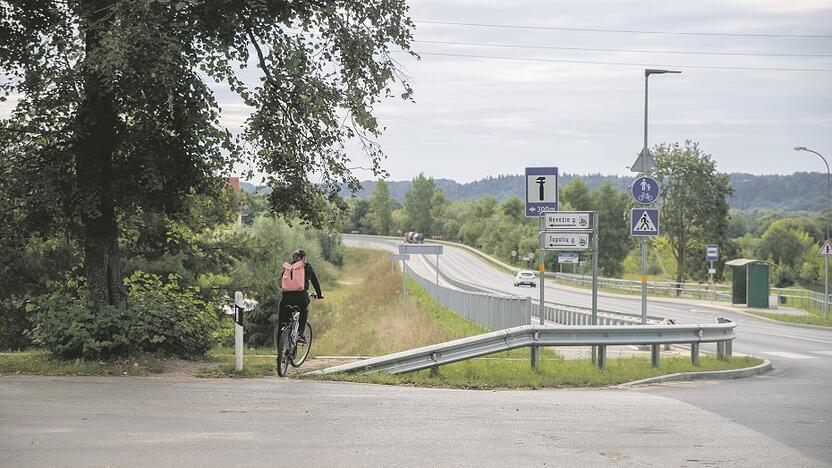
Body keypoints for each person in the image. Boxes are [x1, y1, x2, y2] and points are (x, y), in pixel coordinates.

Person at [277, 249, 323, 344]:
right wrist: (319, 295)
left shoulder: (288, 267)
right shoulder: (306, 266)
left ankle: (279, 354)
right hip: (300, 297)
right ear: (303, 257)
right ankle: (300, 334)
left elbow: (281, 283)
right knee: (304, 309)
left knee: (282, 325)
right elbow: (314, 281)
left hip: (286, 297)